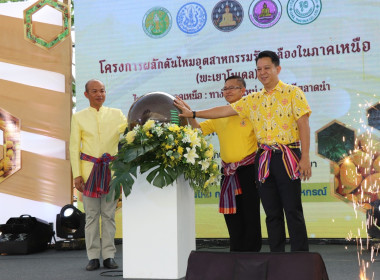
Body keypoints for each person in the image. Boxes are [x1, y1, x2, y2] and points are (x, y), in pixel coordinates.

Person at [174, 50, 311, 252]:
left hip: (287, 156)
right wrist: (193, 113)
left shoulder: (293, 93)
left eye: (267, 68)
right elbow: (223, 110)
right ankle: (277, 257)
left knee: (292, 210)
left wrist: (305, 156)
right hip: (264, 159)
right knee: (272, 213)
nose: (262, 72)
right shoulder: (253, 100)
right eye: (259, 69)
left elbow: (303, 123)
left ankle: (300, 258)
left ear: (277, 69)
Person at [177, 76, 262, 252]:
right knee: (232, 215)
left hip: (249, 170)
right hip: (229, 172)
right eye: (225, 88)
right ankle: (236, 252)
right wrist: (189, 112)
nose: (228, 91)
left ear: (243, 91)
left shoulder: (249, 108)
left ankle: (252, 254)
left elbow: (225, 111)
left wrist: (193, 112)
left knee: (250, 214)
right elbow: (198, 130)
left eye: (233, 87)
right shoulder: (218, 116)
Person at [70, 79, 127, 270]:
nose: (99, 94)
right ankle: (93, 257)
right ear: (86, 95)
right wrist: (77, 174)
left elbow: (128, 138)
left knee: (109, 215)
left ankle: (109, 255)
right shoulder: (78, 117)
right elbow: (73, 147)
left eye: (102, 90)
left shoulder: (117, 114)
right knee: (92, 216)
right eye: (94, 91)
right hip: (88, 174)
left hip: (111, 172)